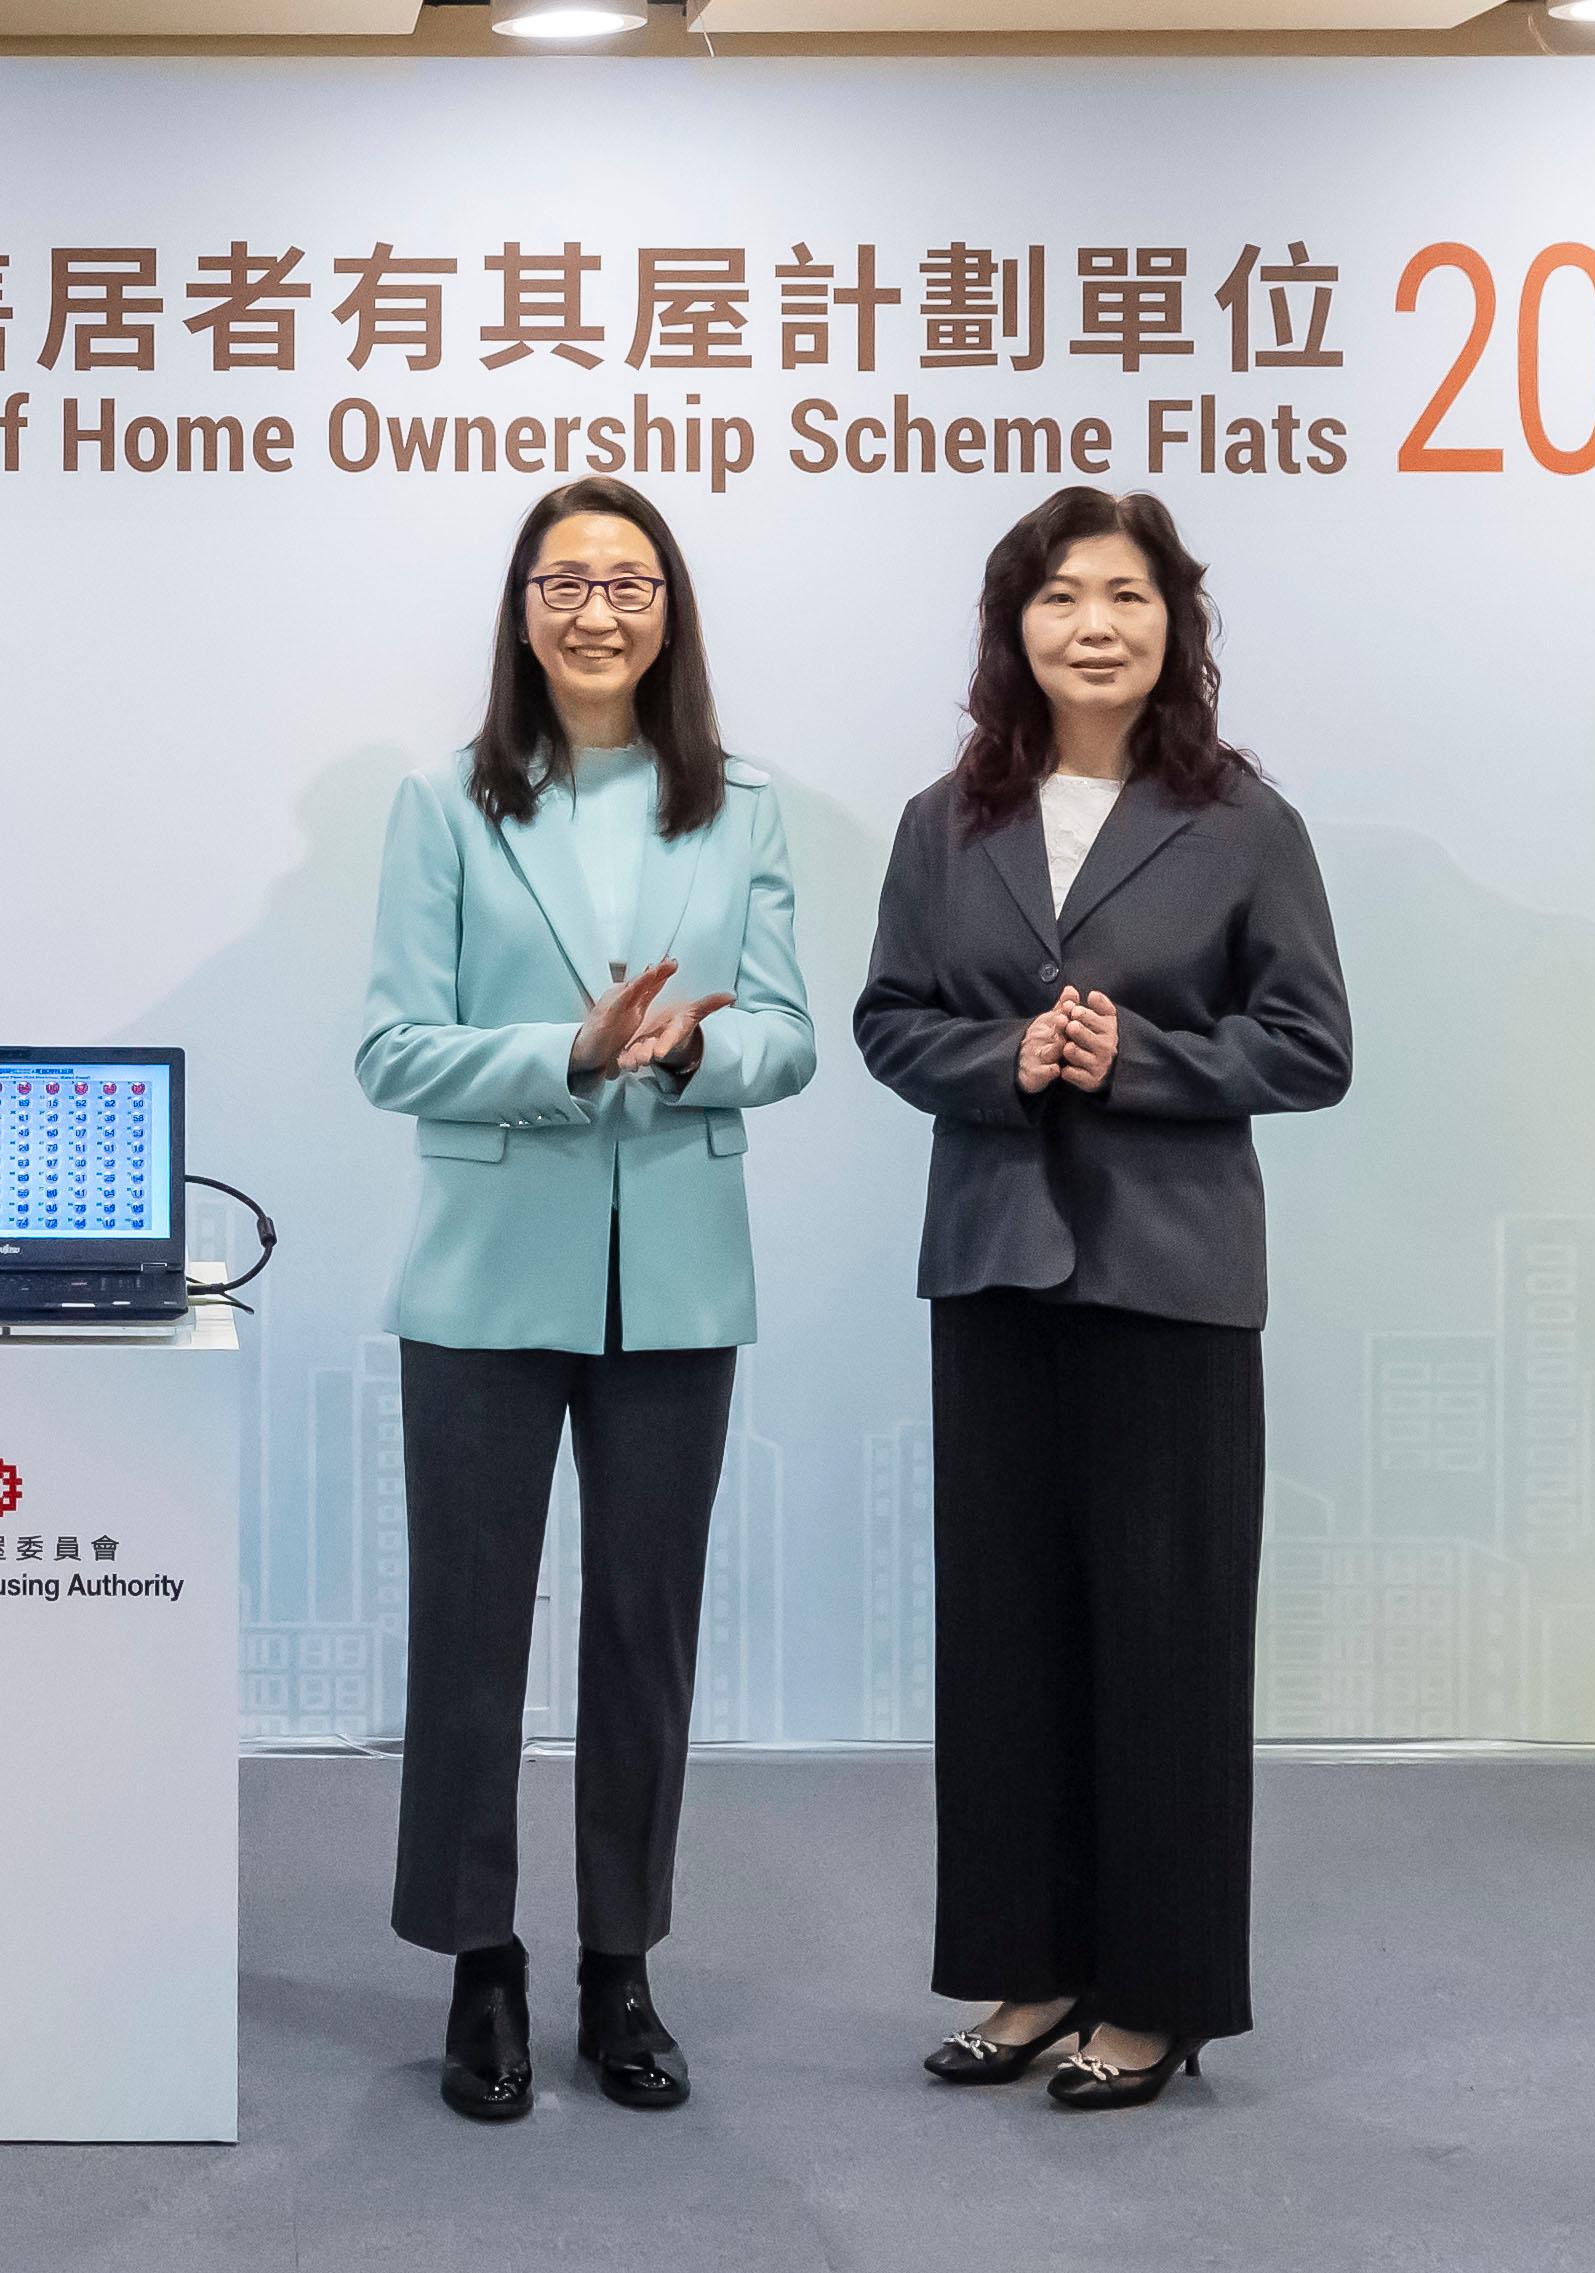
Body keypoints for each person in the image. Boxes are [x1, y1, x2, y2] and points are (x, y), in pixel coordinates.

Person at [853, 486, 1350, 2111]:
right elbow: (888, 1020)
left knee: (1166, 1641)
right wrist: (1002, 1058)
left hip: (1172, 1283)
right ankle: (1032, 1966)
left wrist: (1140, 1059)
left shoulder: (1241, 823)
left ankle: (1156, 1995)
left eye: (1127, 595)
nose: (1093, 624)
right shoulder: (946, 821)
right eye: (1061, 595)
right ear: (1014, 629)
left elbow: (1309, 1046)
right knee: (1005, 1639)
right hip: (994, 1262)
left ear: (1171, 627)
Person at [357, 476, 815, 2122]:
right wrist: (561, 1052)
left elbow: (788, 1030)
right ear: (522, 609)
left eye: (629, 581)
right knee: (470, 1637)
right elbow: (390, 1048)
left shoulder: (739, 804)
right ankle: (482, 1960)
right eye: (565, 581)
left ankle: (619, 1962)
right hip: (483, 1278)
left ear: (668, 610)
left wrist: (690, 1045)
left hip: (677, 1280)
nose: (597, 609)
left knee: (643, 1637)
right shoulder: (444, 804)